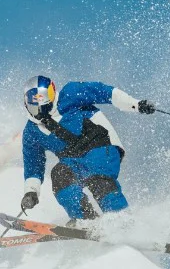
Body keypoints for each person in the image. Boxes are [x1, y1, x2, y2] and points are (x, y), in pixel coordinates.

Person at [19, 75, 155, 222]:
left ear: (53, 92)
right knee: (60, 174)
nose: (40, 102)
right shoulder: (31, 132)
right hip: (73, 162)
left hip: (101, 146)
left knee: (97, 179)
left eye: (45, 96)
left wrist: (135, 104)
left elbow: (105, 92)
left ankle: (121, 221)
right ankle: (86, 219)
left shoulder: (70, 94)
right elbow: (33, 165)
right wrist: (31, 192)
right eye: (34, 98)